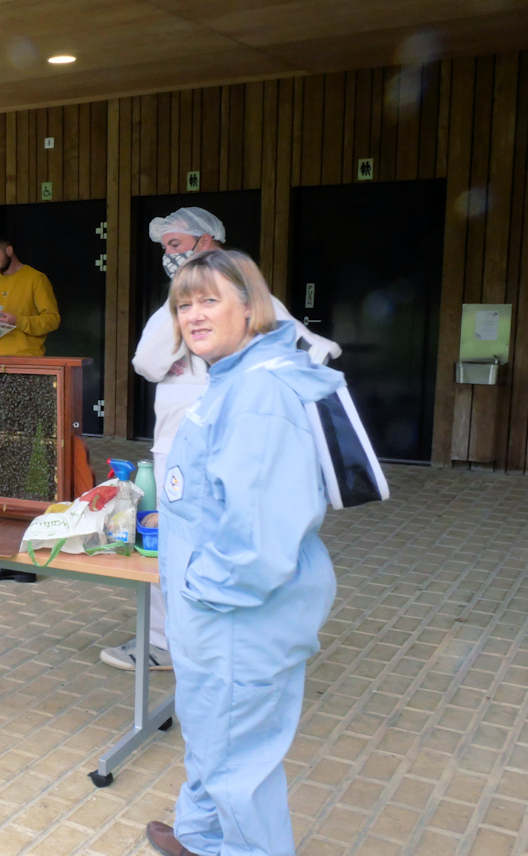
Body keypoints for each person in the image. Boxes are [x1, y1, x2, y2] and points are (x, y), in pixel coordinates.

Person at [145, 249, 341, 856]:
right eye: (185, 305)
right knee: (213, 742)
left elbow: (259, 541)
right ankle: (201, 840)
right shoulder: (230, 378)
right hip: (215, 617)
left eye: (211, 301)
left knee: (239, 767)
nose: (194, 316)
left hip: (236, 618)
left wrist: (201, 593)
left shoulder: (257, 393)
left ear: (251, 308)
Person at [100, 207, 340, 672]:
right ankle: (180, 640)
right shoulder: (201, 300)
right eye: (164, 247)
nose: (168, 256)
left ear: (207, 240)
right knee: (172, 537)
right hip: (179, 437)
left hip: (213, 437)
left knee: (198, 537)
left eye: (175, 245)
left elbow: (311, 354)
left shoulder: (243, 296)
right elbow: (147, 362)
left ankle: (185, 642)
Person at [0, 229, 61, 583]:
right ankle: (6, 550)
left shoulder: (36, 279)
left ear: (10, 250)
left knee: (21, 456)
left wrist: (18, 321)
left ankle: (20, 556)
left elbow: (52, 319)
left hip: (28, 373)